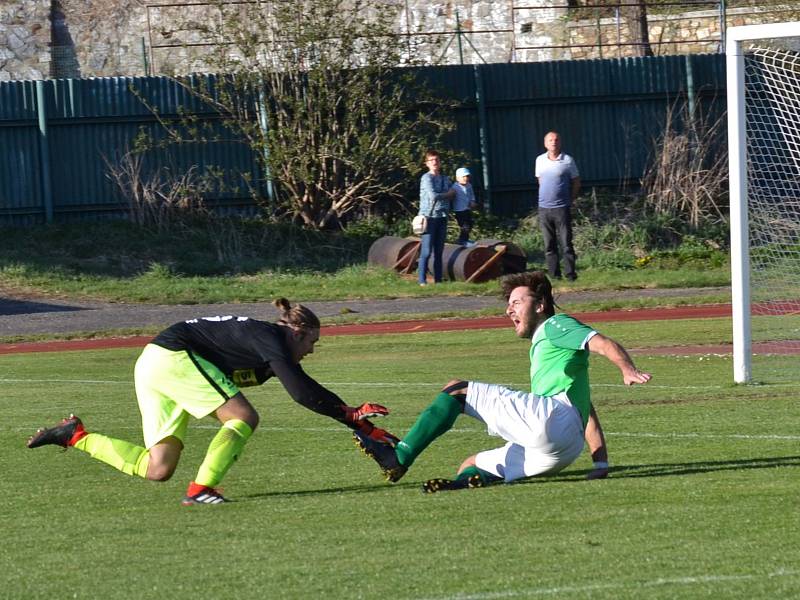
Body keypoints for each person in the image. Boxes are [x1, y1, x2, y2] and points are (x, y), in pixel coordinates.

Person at [27, 298, 397, 505]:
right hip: (173, 357)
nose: (311, 351)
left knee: (158, 468)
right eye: (311, 343)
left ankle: (75, 436)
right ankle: (201, 489)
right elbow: (300, 391)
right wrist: (353, 415)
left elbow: (304, 385)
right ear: (297, 333)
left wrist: (359, 424)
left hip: (153, 364)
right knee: (243, 416)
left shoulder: (268, 350)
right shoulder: (270, 336)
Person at [354, 270, 651, 492]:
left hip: (552, 422)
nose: (509, 309)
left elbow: (602, 343)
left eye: (517, 302)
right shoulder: (552, 353)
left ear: (540, 304)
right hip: (563, 450)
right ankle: (463, 485)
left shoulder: (556, 324)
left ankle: (399, 456)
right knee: (471, 464)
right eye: (508, 304)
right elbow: (587, 412)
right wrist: (600, 464)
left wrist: (627, 369)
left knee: (457, 390)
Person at [535, 131, 581, 281]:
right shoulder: (540, 160)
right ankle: (554, 276)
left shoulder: (568, 160)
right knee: (549, 244)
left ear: (560, 143)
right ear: (545, 143)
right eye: (550, 140)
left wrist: (570, 199)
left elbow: (576, 182)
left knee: (566, 243)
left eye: (556, 140)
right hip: (544, 209)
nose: (553, 142)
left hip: (561, 208)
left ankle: (570, 275)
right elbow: (540, 180)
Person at [417, 149, 455, 286]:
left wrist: (448, 194)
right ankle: (422, 280)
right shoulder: (426, 178)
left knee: (439, 251)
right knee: (426, 251)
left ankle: (438, 281)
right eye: (431, 160)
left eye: (437, 160)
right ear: (426, 163)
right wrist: (447, 194)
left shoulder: (445, 178)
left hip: (442, 216)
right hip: (428, 217)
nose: (434, 162)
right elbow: (433, 196)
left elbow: (454, 192)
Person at [451, 167, 477, 246]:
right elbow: (451, 197)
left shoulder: (469, 185)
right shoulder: (455, 187)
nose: (466, 178)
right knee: (465, 226)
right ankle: (463, 241)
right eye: (463, 177)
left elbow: (472, 195)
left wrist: (472, 201)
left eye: (467, 176)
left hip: (467, 209)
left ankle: (464, 239)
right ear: (457, 178)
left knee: (470, 223)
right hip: (459, 211)